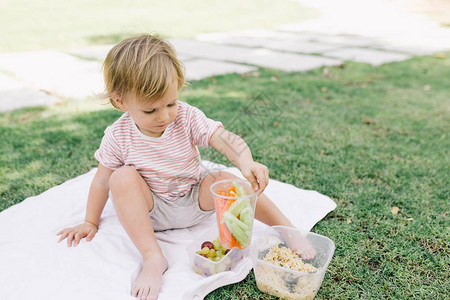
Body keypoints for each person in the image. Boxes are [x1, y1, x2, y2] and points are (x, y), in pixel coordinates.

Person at [56, 34, 295, 300]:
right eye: (150, 111)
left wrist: (246, 162)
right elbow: (101, 181)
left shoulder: (186, 116)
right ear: (120, 101)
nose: (165, 116)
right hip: (152, 211)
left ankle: (287, 229)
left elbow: (223, 138)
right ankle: (153, 257)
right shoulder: (117, 136)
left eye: (170, 103)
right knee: (121, 178)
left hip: (194, 198)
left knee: (228, 179)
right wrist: (90, 220)